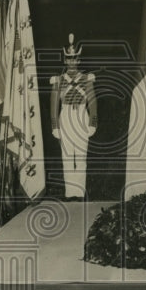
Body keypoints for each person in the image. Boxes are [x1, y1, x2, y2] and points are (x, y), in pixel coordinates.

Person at [50, 33, 97, 199]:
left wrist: (93, 122)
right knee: (67, 156)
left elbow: (92, 101)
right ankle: (70, 193)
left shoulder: (87, 78)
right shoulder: (58, 80)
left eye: (74, 58)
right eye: (69, 58)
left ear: (79, 60)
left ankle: (80, 191)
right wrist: (55, 126)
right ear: (65, 60)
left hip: (81, 117)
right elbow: (53, 105)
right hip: (66, 118)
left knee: (82, 157)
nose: (72, 61)